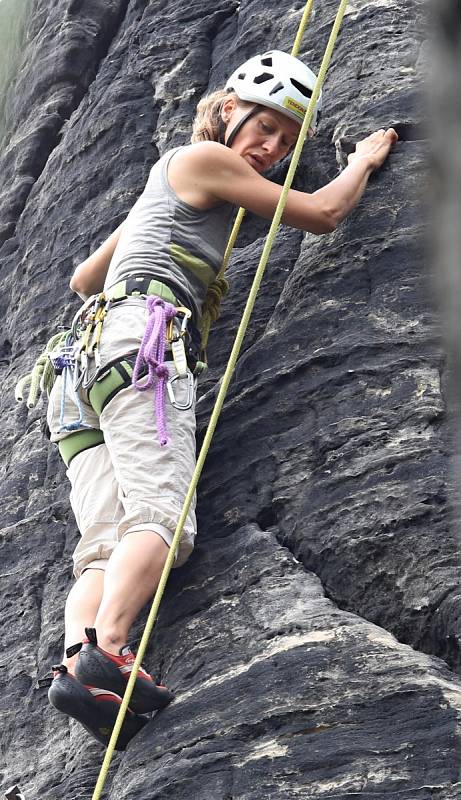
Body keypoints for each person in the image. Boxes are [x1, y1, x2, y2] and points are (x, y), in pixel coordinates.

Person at [41, 50, 398, 748]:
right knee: (162, 520)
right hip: (139, 341)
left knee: (101, 549)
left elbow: (85, 278)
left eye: (285, 141)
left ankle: (80, 670)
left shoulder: (166, 180)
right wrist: (362, 159)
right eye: (264, 126)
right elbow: (322, 214)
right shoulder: (204, 158)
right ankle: (109, 651)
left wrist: (150, 228)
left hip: (78, 372)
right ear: (228, 108)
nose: (270, 148)